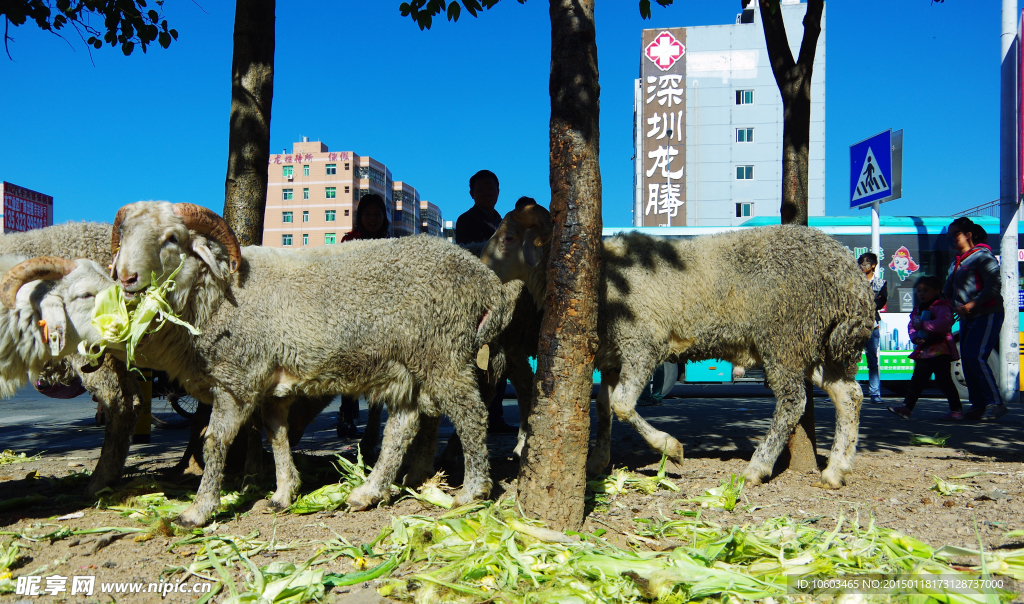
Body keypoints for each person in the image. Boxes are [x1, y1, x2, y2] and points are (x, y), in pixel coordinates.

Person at [455, 170, 517, 433]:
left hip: (503, 296)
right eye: (481, 190)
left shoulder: (504, 222)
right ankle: (479, 416)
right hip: (478, 299)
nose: (487, 193)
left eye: (491, 189)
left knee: (500, 357)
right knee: (480, 359)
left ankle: (496, 415)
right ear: (472, 194)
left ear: (498, 191)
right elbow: (472, 256)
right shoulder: (465, 220)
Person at [336, 194, 391, 438]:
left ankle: (374, 422)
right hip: (353, 314)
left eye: (377, 214)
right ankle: (346, 419)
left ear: (384, 217)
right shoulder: (349, 241)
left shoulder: (390, 244)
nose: (372, 219)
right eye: (367, 214)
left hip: (380, 316)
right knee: (351, 370)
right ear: (360, 217)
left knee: (378, 371)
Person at [943, 216, 1007, 421]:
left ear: (968, 235)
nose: (952, 240)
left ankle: (995, 404)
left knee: (975, 357)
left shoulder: (983, 257)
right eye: (950, 237)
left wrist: (970, 306)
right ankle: (978, 406)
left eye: (956, 235)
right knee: (968, 359)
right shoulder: (955, 262)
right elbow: (947, 291)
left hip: (987, 313)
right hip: (967, 317)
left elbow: (993, 287)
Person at [887, 276, 962, 420]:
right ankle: (906, 408)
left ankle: (956, 410)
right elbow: (911, 326)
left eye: (926, 290)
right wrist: (915, 337)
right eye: (919, 291)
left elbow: (944, 324)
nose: (921, 294)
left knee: (944, 381)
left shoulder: (942, 306)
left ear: (936, 291)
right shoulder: (918, 309)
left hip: (941, 351)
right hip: (924, 351)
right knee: (917, 381)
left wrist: (922, 326)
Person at [858, 252, 888, 405]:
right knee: (847, 359)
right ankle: (842, 391)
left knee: (872, 360)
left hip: (872, 325)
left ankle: (874, 393)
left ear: (874, 265)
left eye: (866, 263)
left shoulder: (881, 283)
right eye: (861, 263)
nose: (863, 266)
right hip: (854, 325)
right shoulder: (853, 283)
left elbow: (881, 303)